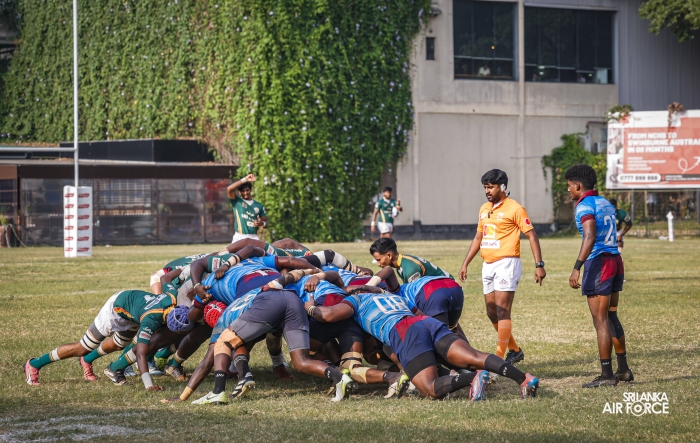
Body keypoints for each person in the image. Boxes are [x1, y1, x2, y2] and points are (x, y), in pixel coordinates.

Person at [306, 287, 539, 400]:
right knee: (474, 356)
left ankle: (472, 378)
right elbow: (418, 313)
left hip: (403, 330)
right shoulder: (392, 296)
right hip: (426, 322)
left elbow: (328, 315)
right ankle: (524, 379)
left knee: (429, 388)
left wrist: (310, 307)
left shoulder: (355, 301)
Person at [24, 287, 193, 390]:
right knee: (83, 347)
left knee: (119, 345)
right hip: (116, 309)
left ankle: (86, 360)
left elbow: (168, 278)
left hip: (132, 311)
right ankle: (34, 364)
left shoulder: (172, 297)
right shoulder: (151, 320)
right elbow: (141, 353)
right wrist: (149, 384)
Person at [458, 169, 545, 366]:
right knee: (492, 312)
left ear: (503, 187)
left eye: (491, 187)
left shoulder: (515, 208)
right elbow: (478, 237)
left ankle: (498, 358)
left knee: (503, 310)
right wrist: (465, 263)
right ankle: (515, 350)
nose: (487, 191)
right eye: (485, 187)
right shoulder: (483, 209)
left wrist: (539, 264)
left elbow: (531, 235)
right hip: (487, 265)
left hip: (507, 263)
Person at [565, 165, 633, 388]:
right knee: (611, 316)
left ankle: (607, 375)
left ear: (578, 185)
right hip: (615, 261)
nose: (568, 190)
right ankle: (623, 370)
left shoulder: (584, 205)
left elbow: (590, 236)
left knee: (600, 320)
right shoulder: (605, 202)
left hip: (600, 264)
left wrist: (577, 267)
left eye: (569, 186)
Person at [369, 238, 452, 283]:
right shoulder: (401, 264)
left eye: (379, 260)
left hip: (448, 286)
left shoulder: (410, 268)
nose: (378, 264)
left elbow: (415, 294)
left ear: (389, 255)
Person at [227, 174, 267, 243]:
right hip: (239, 236)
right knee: (234, 251)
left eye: (247, 190)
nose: (245, 193)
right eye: (243, 191)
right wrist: (245, 179)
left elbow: (266, 223)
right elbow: (229, 189)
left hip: (253, 237)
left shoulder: (259, 205)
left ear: (250, 190)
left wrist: (262, 223)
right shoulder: (236, 202)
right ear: (239, 192)